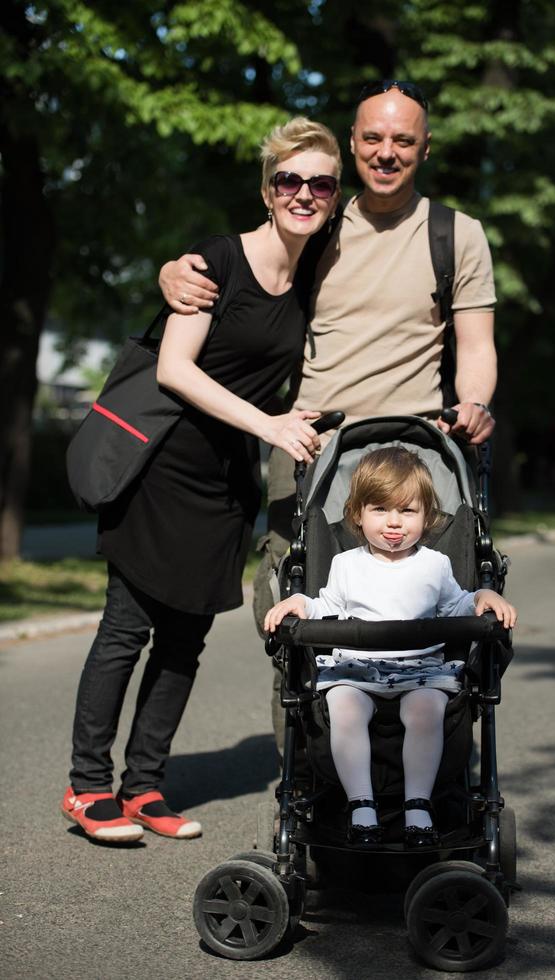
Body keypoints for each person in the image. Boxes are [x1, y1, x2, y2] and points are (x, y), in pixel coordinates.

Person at [157, 79, 498, 740]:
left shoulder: (457, 235)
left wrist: (476, 402)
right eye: (373, 137)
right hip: (312, 445)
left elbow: (476, 344)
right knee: (297, 609)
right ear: (353, 144)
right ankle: (310, 782)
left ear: (426, 148)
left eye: (404, 139)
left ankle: (425, 781)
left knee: (429, 614)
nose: (387, 151)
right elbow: (248, 261)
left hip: (418, 450)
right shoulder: (319, 219)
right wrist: (173, 270)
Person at [61, 117, 341, 844]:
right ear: (267, 187)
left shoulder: (310, 273)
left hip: (226, 481)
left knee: (185, 641)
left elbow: (252, 373)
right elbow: (174, 369)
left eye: (319, 183)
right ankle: (88, 786)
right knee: (126, 628)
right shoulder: (216, 260)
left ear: (334, 195)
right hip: (163, 468)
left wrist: (284, 413)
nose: (303, 194)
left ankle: (145, 786)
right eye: (290, 180)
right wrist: (271, 425)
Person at [264, 448, 517, 848]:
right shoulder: (347, 563)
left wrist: (483, 595)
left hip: (420, 669)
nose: (394, 523)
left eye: (408, 511)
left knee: (426, 710)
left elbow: (457, 604)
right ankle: (360, 804)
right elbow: (329, 606)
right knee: (344, 706)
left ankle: (418, 804)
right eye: (380, 509)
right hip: (358, 668)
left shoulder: (434, 564)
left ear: (427, 516)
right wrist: (301, 603)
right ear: (358, 514)